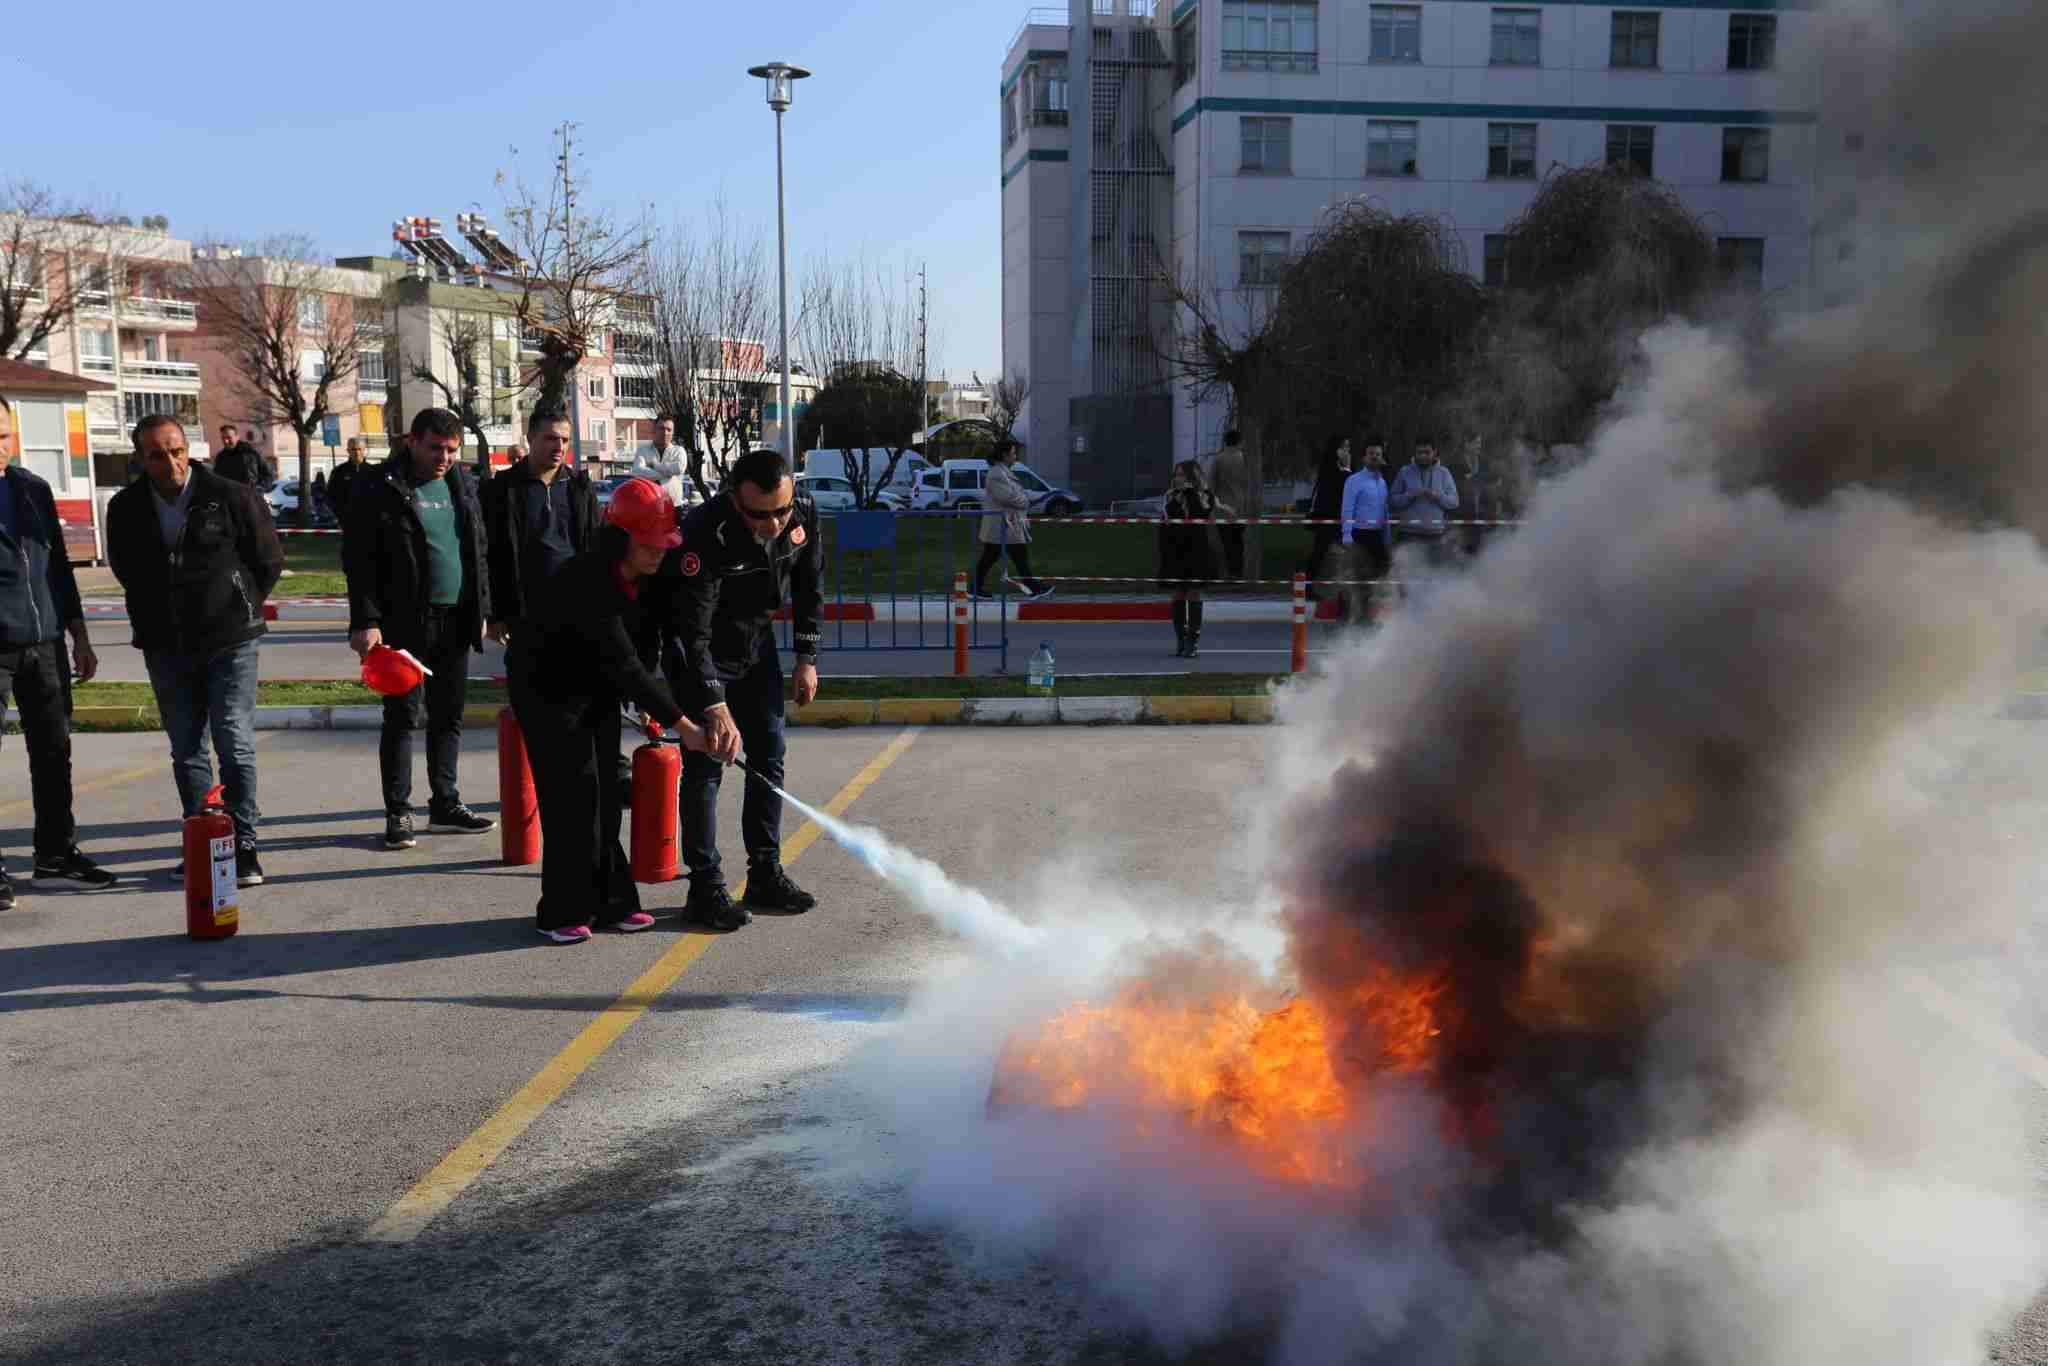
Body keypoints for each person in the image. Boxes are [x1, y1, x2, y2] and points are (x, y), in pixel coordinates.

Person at [512, 478, 710, 944]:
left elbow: (645, 650)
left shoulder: (647, 577)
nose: (659, 552)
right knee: (572, 801)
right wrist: (684, 725)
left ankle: (613, 902)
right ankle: (560, 911)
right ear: (621, 539)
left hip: (596, 687)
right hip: (549, 692)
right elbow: (623, 662)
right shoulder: (589, 580)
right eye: (649, 544)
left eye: (664, 542)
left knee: (604, 797)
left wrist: (652, 711)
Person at [106, 414, 283, 886]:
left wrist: (237, 601)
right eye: (157, 455)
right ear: (141, 460)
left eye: (177, 450)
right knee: (187, 748)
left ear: (190, 449)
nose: (170, 463)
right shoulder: (125, 507)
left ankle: (243, 842)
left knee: (233, 739)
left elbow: (267, 559)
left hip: (230, 638)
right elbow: (126, 569)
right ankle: (204, 838)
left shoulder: (229, 495)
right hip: (166, 645)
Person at [662, 447, 823, 930]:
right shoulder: (701, 536)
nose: (774, 524)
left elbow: (810, 586)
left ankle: (765, 873)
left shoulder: (805, 515)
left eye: (782, 511)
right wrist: (713, 703)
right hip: (703, 654)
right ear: (735, 499)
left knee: (768, 757)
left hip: (758, 648)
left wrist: (806, 658)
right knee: (707, 767)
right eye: (760, 515)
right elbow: (692, 634)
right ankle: (705, 888)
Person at [343, 407, 496, 851]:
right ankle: (399, 812)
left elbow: (477, 549)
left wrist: (482, 607)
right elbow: (359, 561)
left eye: (452, 449)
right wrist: (366, 621)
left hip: (456, 619)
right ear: (413, 441)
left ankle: (445, 805)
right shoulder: (380, 486)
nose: (444, 458)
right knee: (403, 718)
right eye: (435, 448)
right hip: (403, 624)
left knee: (448, 717)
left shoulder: (462, 484)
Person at [0, 394, 114, 907]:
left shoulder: (32, 490)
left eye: (3, 435)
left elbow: (58, 567)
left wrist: (79, 634)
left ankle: (54, 857)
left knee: (53, 752)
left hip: (44, 643)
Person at [482, 408, 601, 652]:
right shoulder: (502, 489)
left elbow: (596, 547)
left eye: (565, 440)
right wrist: (493, 615)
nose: (559, 446)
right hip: (524, 613)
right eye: (551, 438)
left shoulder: (580, 488)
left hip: (575, 610)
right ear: (530, 438)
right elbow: (489, 554)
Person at [971, 439, 1051, 601]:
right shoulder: (997, 474)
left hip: (1005, 525)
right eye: (1013, 453)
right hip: (1004, 525)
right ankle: (1034, 588)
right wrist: (1025, 500)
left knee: (993, 557)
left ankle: (974, 588)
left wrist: (1022, 498)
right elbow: (1009, 497)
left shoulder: (1001, 472)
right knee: (1017, 556)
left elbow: (1013, 496)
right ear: (1004, 455)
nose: (1015, 456)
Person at [1158, 459, 1219, 658]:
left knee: (1194, 593)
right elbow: (1166, 522)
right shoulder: (1170, 497)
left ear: (1192, 477)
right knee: (1177, 594)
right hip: (1175, 551)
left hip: (1196, 550)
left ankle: (1192, 642)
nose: (1177, 478)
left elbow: (1202, 513)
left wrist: (1190, 492)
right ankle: (1181, 640)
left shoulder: (1205, 496)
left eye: (1182, 474)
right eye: (1176, 474)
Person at [1340, 440, 1391, 624]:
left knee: (1380, 574)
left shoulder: (1383, 482)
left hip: (1377, 535)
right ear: (1364, 457)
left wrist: (1387, 536)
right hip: (1360, 534)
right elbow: (1347, 508)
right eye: (1371, 454)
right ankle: (1352, 618)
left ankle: (1371, 615)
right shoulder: (1354, 481)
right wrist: (1347, 535)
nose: (1375, 457)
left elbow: (1384, 512)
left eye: (1378, 454)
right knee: (1360, 576)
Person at [1389, 436, 1460, 568]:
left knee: (1434, 578)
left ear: (1434, 452)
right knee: (1407, 578)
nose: (1422, 456)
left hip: (1435, 536)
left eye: (1427, 452)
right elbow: (1393, 500)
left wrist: (1438, 497)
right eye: (1419, 452)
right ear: (1414, 453)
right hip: (1409, 535)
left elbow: (1455, 501)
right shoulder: (1404, 472)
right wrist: (1410, 495)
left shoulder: (1444, 473)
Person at [1302, 435, 1351, 601]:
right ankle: (1307, 586)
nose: (1347, 451)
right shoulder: (1331, 469)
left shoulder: (1335, 468)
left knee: (1324, 553)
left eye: (1348, 448)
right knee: (1320, 553)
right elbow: (1344, 484)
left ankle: (1319, 586)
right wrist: (1347, 468)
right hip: (1327, 517)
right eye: (1344, 448)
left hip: (1335, 517)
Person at [1207, 428, 1249, 581]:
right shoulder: (1244, 458)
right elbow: (1248, 483)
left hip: (1222, 507)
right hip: (1240, 507)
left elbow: (1211, 485)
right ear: (1239, 441)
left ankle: (1228, 572)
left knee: (1226, 541)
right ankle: (1238, 572)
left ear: (1225, 442)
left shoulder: (1218, 459)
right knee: (1238, 541)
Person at [629, 418, 694, 508]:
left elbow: (679, 468)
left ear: (673, 433)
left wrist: (655, 465)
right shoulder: (642, 450)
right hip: (648, 506)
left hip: (673, 506)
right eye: (661, 428)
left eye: (669, 430)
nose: (665, 433)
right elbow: (637, 471)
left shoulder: (679, 451)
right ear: (654, 430)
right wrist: (668, 473)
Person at [212, 423, 273, 490]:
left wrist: (259, 488)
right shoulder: (221, 457)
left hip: (250, 497)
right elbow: (216, 479)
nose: (226, 441)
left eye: (229, 437)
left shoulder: (251, 453)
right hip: (229, 497)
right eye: (223, 438)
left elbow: (268, 474)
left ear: (237, 437)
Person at [327, 437, 369, 520]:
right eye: (353, 449)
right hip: (347, 520)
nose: (357, 452)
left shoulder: (372, 471)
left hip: (368, 520)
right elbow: (330, 495)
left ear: (364, 450)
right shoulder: (338, 472)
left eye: (359, 449)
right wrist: (340, 514)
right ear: (348, 451)